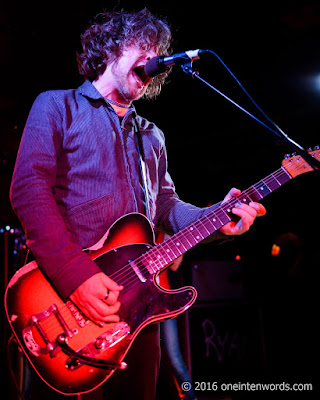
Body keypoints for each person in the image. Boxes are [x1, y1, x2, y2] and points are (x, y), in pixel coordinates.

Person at [9, 8, 266, 400]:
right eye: (143, 46)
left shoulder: (152, 135)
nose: (154, 59)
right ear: (110, 48)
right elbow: (29, 190)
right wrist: (77, 277)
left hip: (137, 311)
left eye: (159, 51)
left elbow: (165, 206)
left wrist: (218, 217)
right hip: (65, 302)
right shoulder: (57, 106)